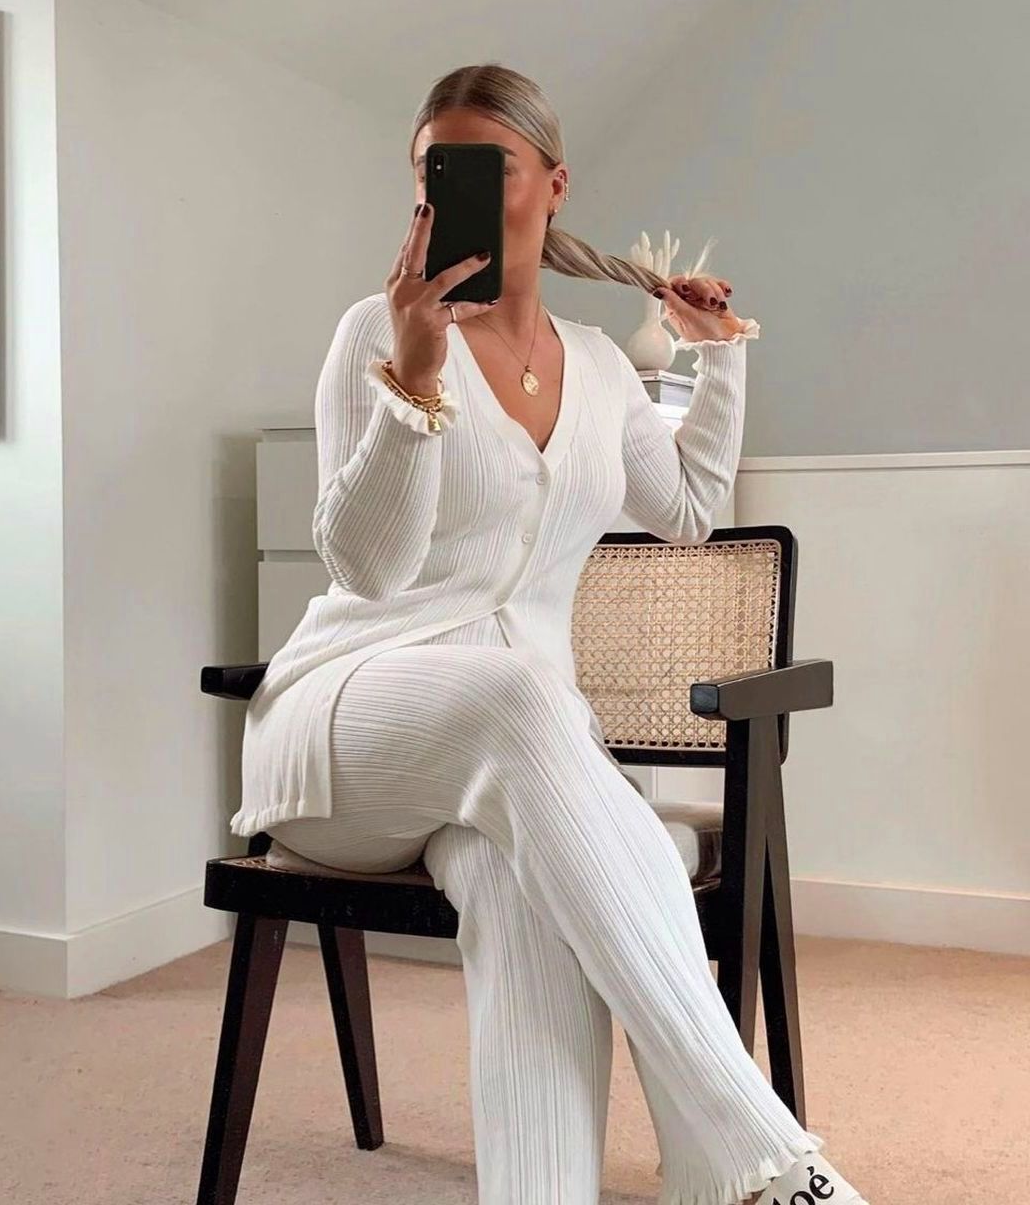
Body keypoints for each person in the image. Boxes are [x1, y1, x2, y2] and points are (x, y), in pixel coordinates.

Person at [232, 63, 868, 1205]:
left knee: (525, 884)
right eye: (433, 171)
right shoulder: (375, 332)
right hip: (342, 730)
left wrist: (718, 356)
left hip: (499, 769)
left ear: (555, 184)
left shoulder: (605, 366)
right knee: (526, 697)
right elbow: (366, 568)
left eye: (488, 168)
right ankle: (763, 1155)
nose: (450, 193)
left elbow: (688, 513)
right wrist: (414, 383)